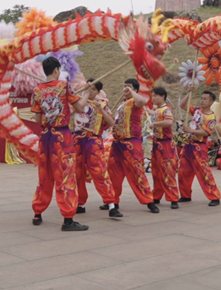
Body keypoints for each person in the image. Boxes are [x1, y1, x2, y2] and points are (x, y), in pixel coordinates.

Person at [30, 56, 90, 231]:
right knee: (65, 175)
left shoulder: (37, 90)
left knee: (44, 175)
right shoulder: (63, 86)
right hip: (62, 137)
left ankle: (37, 212)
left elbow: (38, 118)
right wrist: (86, 94)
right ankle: (68, 219)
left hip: (45, 137)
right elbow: (79, 108)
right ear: (56, 70)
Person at [109, 78, 159, 213]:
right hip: (117, 144)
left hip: (132, 142)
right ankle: (113, 201)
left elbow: (142, 101)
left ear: (135, 90)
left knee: (137, 173)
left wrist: (131, 91)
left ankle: (149, 200)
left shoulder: (136, 102)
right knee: (114, 174)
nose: (125, 88)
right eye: (124, 86)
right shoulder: (122, 104)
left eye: (129, 86)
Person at [73, 81, 122, 218]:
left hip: (93, 140)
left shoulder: (102, 104)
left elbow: (112, 123)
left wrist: (101, 109)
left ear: (99, 91)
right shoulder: (78, 101)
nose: (91, 91)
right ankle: (80, 203)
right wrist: (83, 91)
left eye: (94, 89)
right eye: (89, 88)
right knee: (77, 173)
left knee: (99, 172)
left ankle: (111, 204)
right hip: (77, 140)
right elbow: (72, 110)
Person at [178, 90, 221, 206]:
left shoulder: (211, 117)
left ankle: (214, 196)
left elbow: (207, 132)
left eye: (205, 99)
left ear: (211, 101)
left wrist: (190, 130)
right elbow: (182, 105)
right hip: (188, 145)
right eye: (201, 98)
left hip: (199, 147)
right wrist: (189, 92)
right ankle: (185, 195)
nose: (202, 100)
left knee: (204, 172)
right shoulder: (197, 110)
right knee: (183, 172)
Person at [148, 87, 179, 209]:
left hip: (165, 144)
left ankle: (173, 198)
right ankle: (156, 195)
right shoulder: (157, 109)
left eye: (156, 95)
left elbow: (169, 122)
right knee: (156, 171)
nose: (153, 98)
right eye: (153, 95)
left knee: (168, 171)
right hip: (157, 144)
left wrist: (155, 124)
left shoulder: (166, 110)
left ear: (163, 96)